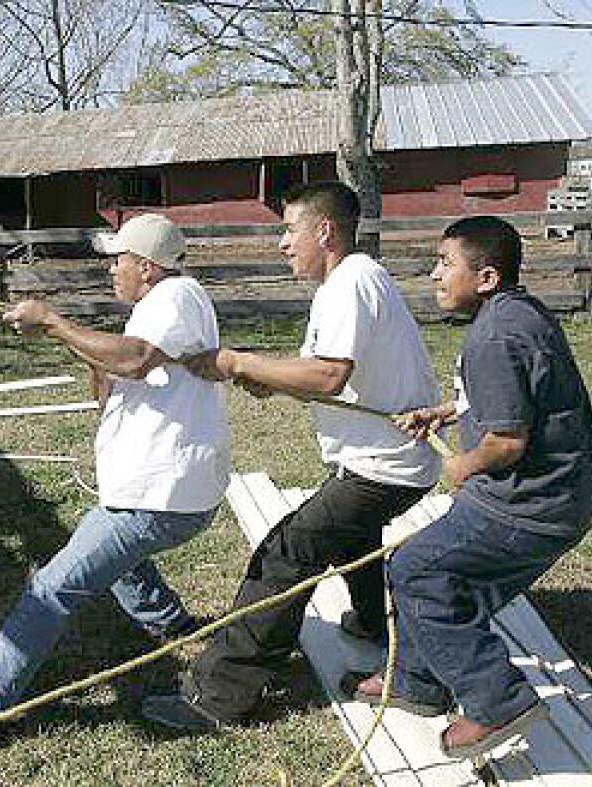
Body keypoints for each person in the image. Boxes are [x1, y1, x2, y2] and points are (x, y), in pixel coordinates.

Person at [0, 212, 232, 749]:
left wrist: (53, 322)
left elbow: (137, 359)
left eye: (117, 260)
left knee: (50, 590)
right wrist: (80, 345)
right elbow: (119, 375)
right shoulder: (158, 306)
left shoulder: (175, 297)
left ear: (145, 267)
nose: (111, 269)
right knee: (107, 543)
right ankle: (169, 622)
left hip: (159, 496)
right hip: (157, 491)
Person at [141, 181, 442, 731]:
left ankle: (220, 698)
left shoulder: (348, 282)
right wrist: (263, 375)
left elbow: (329, 375)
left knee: (285, 553)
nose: (283, 242)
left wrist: (237, 362)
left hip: (387, 465)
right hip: (390, 459)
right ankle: (373, 625)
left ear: (323, 230)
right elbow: (320, 378)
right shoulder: (355, 279)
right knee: (353, 534)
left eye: (289, 229)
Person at [343, 216, 592, 759]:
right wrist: (443, 413)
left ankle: (498, 700)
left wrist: (463, 465)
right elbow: (507, 398)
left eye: (445, 264)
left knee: (420, 571)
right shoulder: (517, 314)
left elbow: (506, 442)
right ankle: (417, 680)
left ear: (484, 277)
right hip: (553, 500)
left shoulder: (495, 335)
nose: (434, 275)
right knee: (426, 571)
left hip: (529, 507)